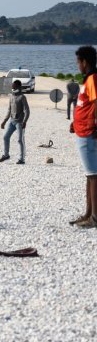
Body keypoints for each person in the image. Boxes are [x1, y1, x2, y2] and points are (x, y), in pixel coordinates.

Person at [69, 45, 97, 228]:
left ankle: (94, 217)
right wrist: (75, 121)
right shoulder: (88, 79)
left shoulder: (93, 79)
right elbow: (84, 105)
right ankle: (88, 213)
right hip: (81, 130)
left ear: (84, 62)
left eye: (78, 62)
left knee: (94, 175)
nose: (77, 65)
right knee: (90, 174)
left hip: (88, 133)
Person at [0, 80, 30, 165]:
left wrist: (25, 121)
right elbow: (9, 110)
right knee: (5, 137)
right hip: (12, 122)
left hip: (20, 122)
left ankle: (22, 159)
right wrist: (4, 121)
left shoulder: (22, 97)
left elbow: (27, 111)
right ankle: (6, 155)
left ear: (19, 87)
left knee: (20, 140)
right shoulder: (11, 96)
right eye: (12, 86)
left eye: (14, 86)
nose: (13, 87)